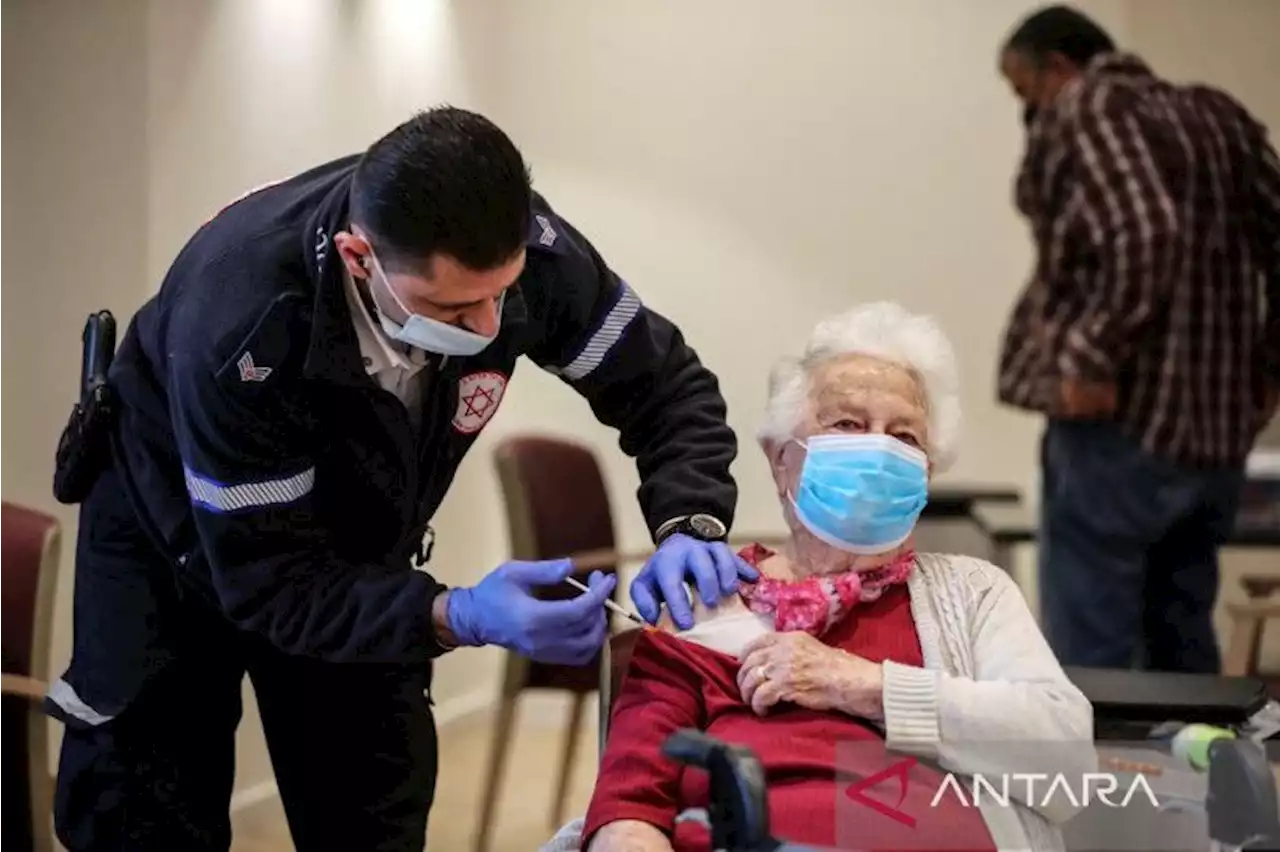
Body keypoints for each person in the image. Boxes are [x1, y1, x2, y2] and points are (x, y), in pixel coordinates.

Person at [46, 106, 758, 852]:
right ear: (360, 259)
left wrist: (692, 522)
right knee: (144, 806)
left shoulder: (530, 258)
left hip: (354, 543)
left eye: (501, 294)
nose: (488, 326)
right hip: (172, 545)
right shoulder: (239, 319)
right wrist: (458, 614)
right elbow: (274, 584)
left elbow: (667, 391)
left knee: (375, 799)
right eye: (453, 307)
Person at [547, 303, 1093, 852]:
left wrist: (861, 684)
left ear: (927, 472)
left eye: (904, 436)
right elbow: (629, 814)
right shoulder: (708, 604)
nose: (877, 449)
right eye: (847, 424)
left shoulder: (973, 594)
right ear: (781, 458)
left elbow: (1066, 764)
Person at [996, 5, 1280, 672]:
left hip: (1119, 426)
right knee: (1182, 631)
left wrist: (1090, 358)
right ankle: (1200, 772)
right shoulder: (1219, 115)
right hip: (1215, 439)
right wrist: (1269, 367)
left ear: (1059, 67)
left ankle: (1099, 779)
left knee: (1095, 650)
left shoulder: (1088, 104)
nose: (1027, 113)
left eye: (1023, 91)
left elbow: (1145, 231)